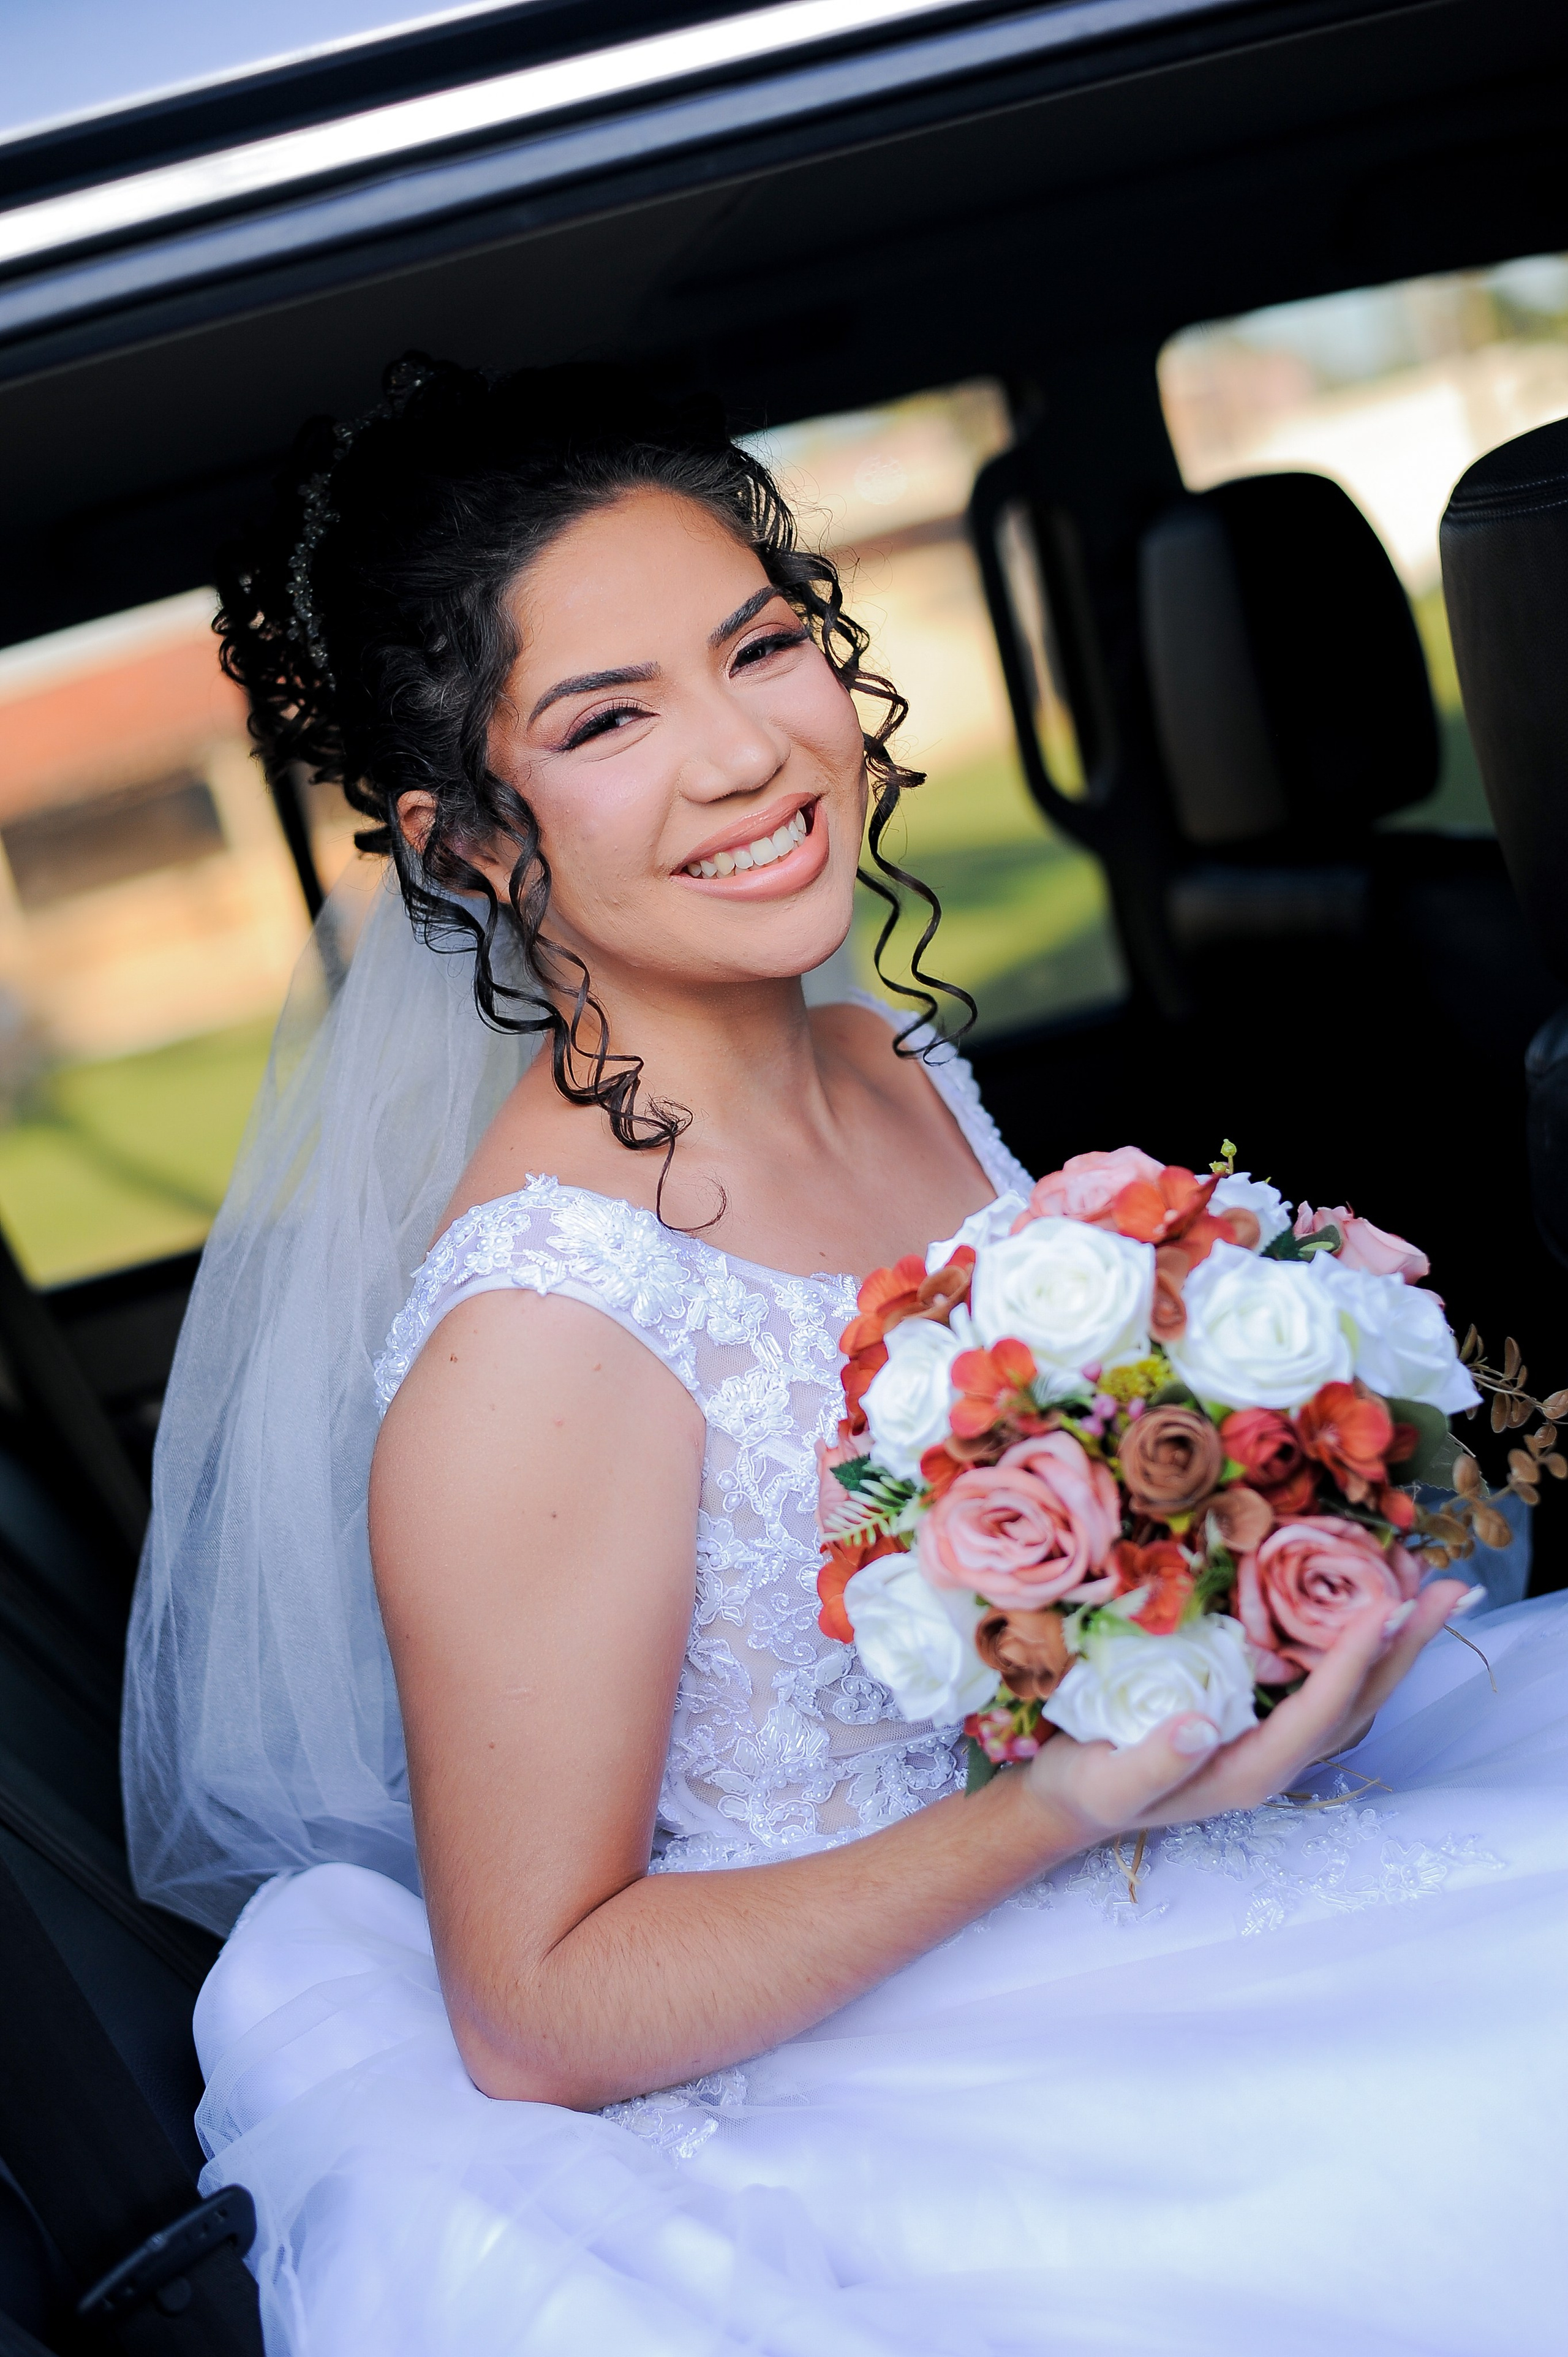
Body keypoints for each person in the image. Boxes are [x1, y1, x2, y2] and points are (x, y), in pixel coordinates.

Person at [124, 359, 1568, 2357]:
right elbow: (538, 2007)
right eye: (609, 719)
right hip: (936, 2058)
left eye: (763, 648)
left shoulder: (890, 1063)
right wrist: (1060, 1808)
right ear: (467, 847)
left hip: (1180, 1895)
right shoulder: (541, 1334)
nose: (744, 754)